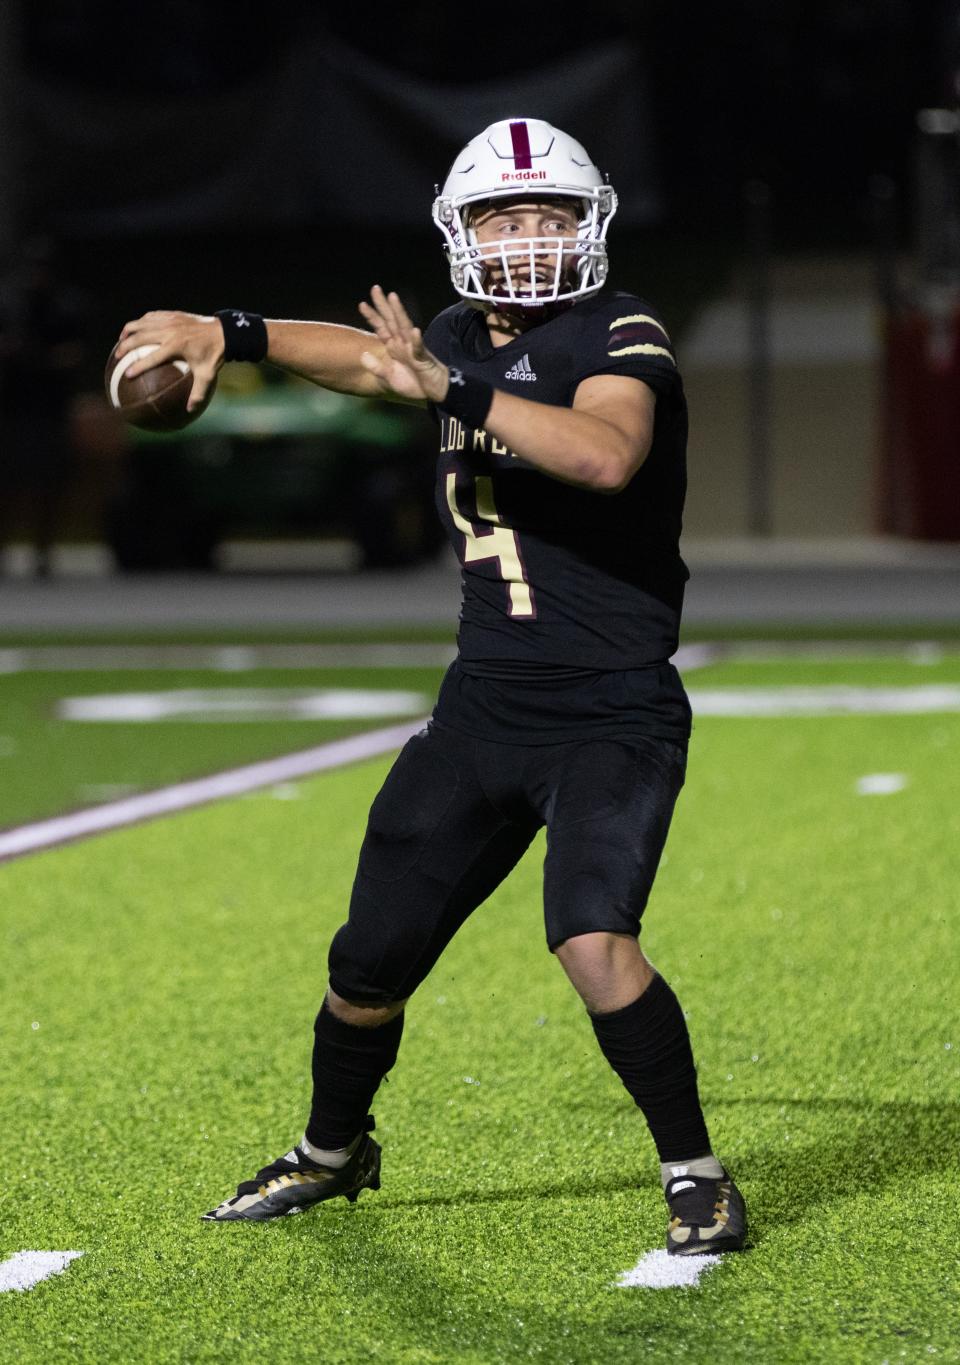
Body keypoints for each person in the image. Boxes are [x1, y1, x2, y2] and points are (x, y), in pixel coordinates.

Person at [116, 118, 746, 1256]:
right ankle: (330, 1152)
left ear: (589, 224)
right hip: (482, 710)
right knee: (366, 964)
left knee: (593, 943)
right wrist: (232, 330)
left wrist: (446, 386)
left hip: (610, 708)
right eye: (506, 217)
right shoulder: (454, 334)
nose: (529, 236)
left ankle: (695, 1171)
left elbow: (605, 454)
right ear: (463, 232)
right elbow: (366, 359)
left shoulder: (622, 331)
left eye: (550, 213)